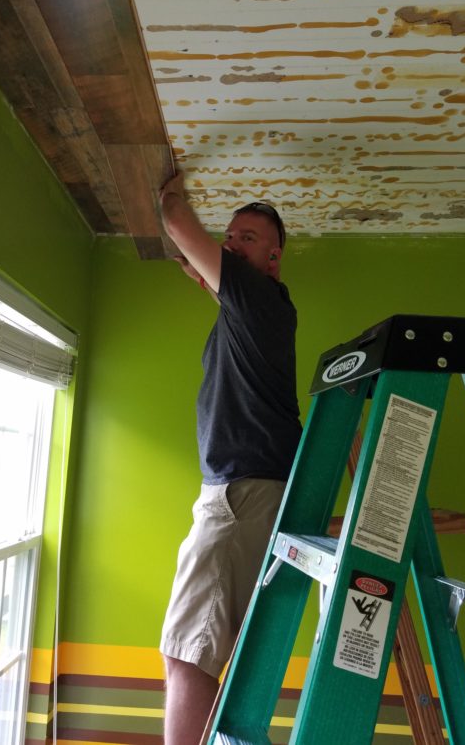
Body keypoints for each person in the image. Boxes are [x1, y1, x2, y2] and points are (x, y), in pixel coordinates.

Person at [158, 171, 302, 745]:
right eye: (231, 234)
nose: (232, 242)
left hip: (240, 495)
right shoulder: (251, 309)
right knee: (206, 651)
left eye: (247, 238)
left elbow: (176, 223)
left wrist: (168, 192)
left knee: (187, 656)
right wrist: (204, 271)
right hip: (242, 490)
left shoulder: (262, 298)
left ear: (273, 259)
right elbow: (202, 272)